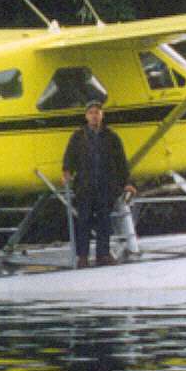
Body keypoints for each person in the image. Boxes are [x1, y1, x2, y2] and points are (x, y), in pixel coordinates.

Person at [61, 101, 135, 267]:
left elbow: (121, 162)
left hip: (105, 186)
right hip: (85, 187)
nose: (94, 115)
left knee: (104, 221)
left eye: (97, 112)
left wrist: (127, 183)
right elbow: (69, 157)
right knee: (83, 221)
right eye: (91, 113)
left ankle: (103, 254)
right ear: (87, 116)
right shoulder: (78, 137)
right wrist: (66, 172)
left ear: (102, 115)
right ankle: (82, 256)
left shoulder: (112, 137)